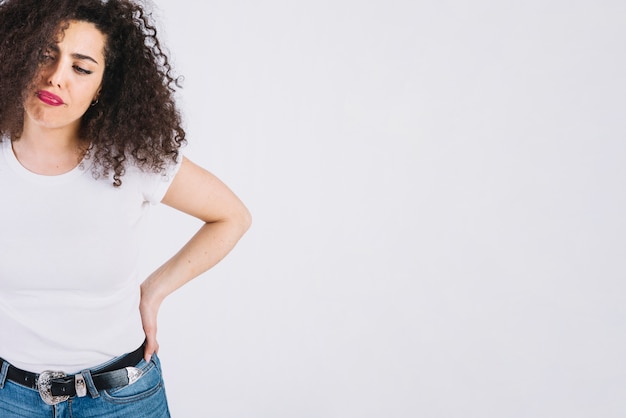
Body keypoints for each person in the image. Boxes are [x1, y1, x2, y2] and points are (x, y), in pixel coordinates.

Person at [0, 0, 251, 416]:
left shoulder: (133, 162)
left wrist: (153, 292)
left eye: (81, 68)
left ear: (104, 87)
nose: (56, 77)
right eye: (45, 54)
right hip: (10, 398)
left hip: (122, 399)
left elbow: (231, 216)